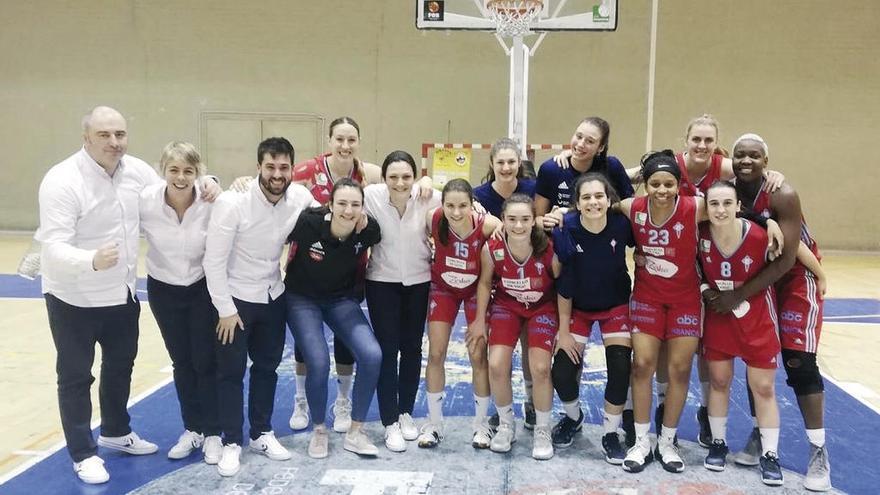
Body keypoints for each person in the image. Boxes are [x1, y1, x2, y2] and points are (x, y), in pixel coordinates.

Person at [231, 118, 432, 432]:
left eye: (351, 140)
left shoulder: (368, 174)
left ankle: (344, 402)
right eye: (339, 139)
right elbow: (275, 180)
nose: (345, 145)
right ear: (329, 140)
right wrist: (245, 180)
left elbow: (400, 181)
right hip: (306, 271)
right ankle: (302, 400)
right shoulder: (307, 175)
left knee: (348, 344)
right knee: (310, 350)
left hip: (347, 273)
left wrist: (424, 182)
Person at [35, 106, 162, 484]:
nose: (114, 142)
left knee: (121, 365)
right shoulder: (62, 180)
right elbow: (52, 245)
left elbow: (168, 192)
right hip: (73, 297)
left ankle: (116, 431)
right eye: (105, 135)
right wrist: (90, 259)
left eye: (120, 134)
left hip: (122, 293)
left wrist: (210, 182)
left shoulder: (136, 171)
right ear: (86, 137)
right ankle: (82, 452)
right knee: (75, 376)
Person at [715, 134, 831, 492]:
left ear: (767, 160)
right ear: (731, 159)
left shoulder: (782, 193)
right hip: (756, 279)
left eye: (754, 155)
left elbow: (786, 258)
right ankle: (759, 432)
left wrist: (738, 295)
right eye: (739, 155)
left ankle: (818, 451)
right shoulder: (728, 190)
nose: (746, 160)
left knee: (798, 362)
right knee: (756, 357)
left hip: (793, 278)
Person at [203, 137, 318, 476]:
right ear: (258, 168)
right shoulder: (232, 202)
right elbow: (213, 261)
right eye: (270, 167)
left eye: (284, 168)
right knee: (230, 373)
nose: (277, 174)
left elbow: (328, 216)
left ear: (292, 170)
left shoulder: (300, 197)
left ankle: (261, 433)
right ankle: (231, 442)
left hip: (273, 295)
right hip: (235, 300)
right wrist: (225, 309)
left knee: (267, 368)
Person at [617, 150, 709, 474]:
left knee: (679, 369)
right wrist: (635, 171)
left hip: (685, 299)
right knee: (641, 365)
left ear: (678, 185)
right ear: (646, 184)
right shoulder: (633, 207)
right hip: (647, 296)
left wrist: (769, 225)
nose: (661, 190)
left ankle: (667, 441)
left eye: (669, 184)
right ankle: (642, 440)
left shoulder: (694, 207)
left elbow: (734, 208)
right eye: (654, 183)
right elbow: (601, 192)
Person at [284, 178, 383, 459]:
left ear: (363, 209)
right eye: (342, 203)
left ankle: (356, 432)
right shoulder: (307, 224)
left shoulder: (368, 231)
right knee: (317, 360)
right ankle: (319, 431)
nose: (348, 210)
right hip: (302, 299)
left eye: (355, 204)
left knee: (372, 355)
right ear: (330, 205)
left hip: (341, 301)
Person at [139, 142, 222, 463]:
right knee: (181, 362)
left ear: (197, 173)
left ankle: (213, 432)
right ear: (163, 171)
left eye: (188, 171)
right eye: (174, 170)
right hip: (163, 289)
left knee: (205, 361)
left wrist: (215, 180)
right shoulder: (145, 201)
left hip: (201, 288)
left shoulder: (211, 201)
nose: (180, 177)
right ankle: (193, 429)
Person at [697, 180, 783, 486]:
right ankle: (718, 443)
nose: (720, 210)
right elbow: (693, 267)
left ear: (738, 206)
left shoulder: (761, 236)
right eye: (714, 204)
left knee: (763, 388)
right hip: (720, 316)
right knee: (719, 381)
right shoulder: (700, 235)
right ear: (705, 209)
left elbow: (792, 254)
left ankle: (770, 455)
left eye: (726, 203)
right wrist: (706, 290)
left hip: (756, 319)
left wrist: (821, 273)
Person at [550, 173, 634, 464]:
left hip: (615, 306)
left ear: (609, 199)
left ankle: (611, 433)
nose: (593, 202)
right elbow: (563, 283)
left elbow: (644, 229)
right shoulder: (566, 228)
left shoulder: (623, 225)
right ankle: (573, 418)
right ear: (576, 203)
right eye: (586, 197)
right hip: (578, 309)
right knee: (561, 371)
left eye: (599, 196)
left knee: (621, 367)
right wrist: (563, 331)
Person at [472, 194, 562, 460]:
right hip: (507, 306)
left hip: (542, 308)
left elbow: (562, 287)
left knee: (541, 367)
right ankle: (506, 424)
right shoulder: (493, 247)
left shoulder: (549, 248)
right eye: (512, 219)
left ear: (534, 220)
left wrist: (563, 326)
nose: (519, 225)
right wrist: (479, 320)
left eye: (525, 219)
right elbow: (485, 283)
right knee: (497, 364)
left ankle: (542, 429)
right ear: (503, 220)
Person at [363, 150, 441, 452]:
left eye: (406, 176)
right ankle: (389, 421)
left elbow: (463, 201)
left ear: (414, 176)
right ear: (384, 178)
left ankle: (406, 411)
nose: (400, 183)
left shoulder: (428, 197)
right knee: (387, 350)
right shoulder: (370, 196)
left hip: (419, 283)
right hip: (381, 283)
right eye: (393, 177)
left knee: (411, 348)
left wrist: (429, 179)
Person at [418, 179, 501, 449]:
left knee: (478, 356)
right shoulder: (433, 218)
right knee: (436, 353)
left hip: (475, 290)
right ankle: (434, 424)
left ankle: (481, 425)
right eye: (450, 205)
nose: (456, 212)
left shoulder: (487, 225)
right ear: (442, 204)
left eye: (462, 205)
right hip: (443, 289)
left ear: (473, 205)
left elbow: (509, 237)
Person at [472, 137, 539, 428]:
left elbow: (545, 222)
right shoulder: (479, 195)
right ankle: (500, 410)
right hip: (495, 281)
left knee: (530, 347)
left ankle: (532, 402)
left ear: (519, 163)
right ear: (492, 164)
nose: (506, 167)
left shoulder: (534, 191)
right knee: (498, 351)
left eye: (512, 161)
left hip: (530, 281)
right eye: (501, 162)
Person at [536, 117, 634, 231]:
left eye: (590, 141)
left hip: (604, 240)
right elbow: (538, 218)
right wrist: (547, 223)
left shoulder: (612, 166)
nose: (581, 144)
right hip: (565, 242)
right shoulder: (550, 169)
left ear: (601, 147)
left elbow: (631, 206)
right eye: (578, 136)